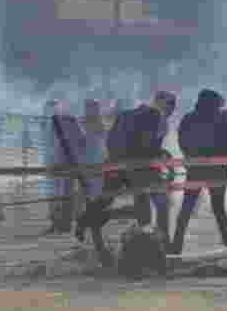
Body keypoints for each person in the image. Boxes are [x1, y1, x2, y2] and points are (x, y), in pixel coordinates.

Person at [75, 89, 177, 261]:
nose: (171, 112)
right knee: (161, 203)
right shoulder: (158, 118)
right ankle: (162, 247)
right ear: (163, 104)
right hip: (138, 168)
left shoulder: (126, 114)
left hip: (114, 164)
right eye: (171, 107)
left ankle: (84, 220)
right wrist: (160, 155)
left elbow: (110, 140)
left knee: (105, 199)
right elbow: (148, 147)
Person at [171, 89, 227, 255]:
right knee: (219, 208)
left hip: (196, 169)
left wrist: (190, 158)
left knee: (187, 206)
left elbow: (182, 141)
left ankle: (177, 244)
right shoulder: (222, 119)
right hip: (217, 170)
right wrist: (223, 163)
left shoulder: (188, 118)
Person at [44, 99, 87, 235]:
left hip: (62, 162)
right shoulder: (70, 120)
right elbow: (82, 140)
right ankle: (61, 224)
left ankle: (61, 224)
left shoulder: (60, 121)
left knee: (61, 194)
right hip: (63, 161)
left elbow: (48, 143)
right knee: (61, 194)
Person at [81, 98, 107, 203]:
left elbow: (104, 140)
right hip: (87, 159)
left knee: (95, 185)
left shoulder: (99, 124)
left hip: (95, 159)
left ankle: (93, 204)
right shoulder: (82, 122)